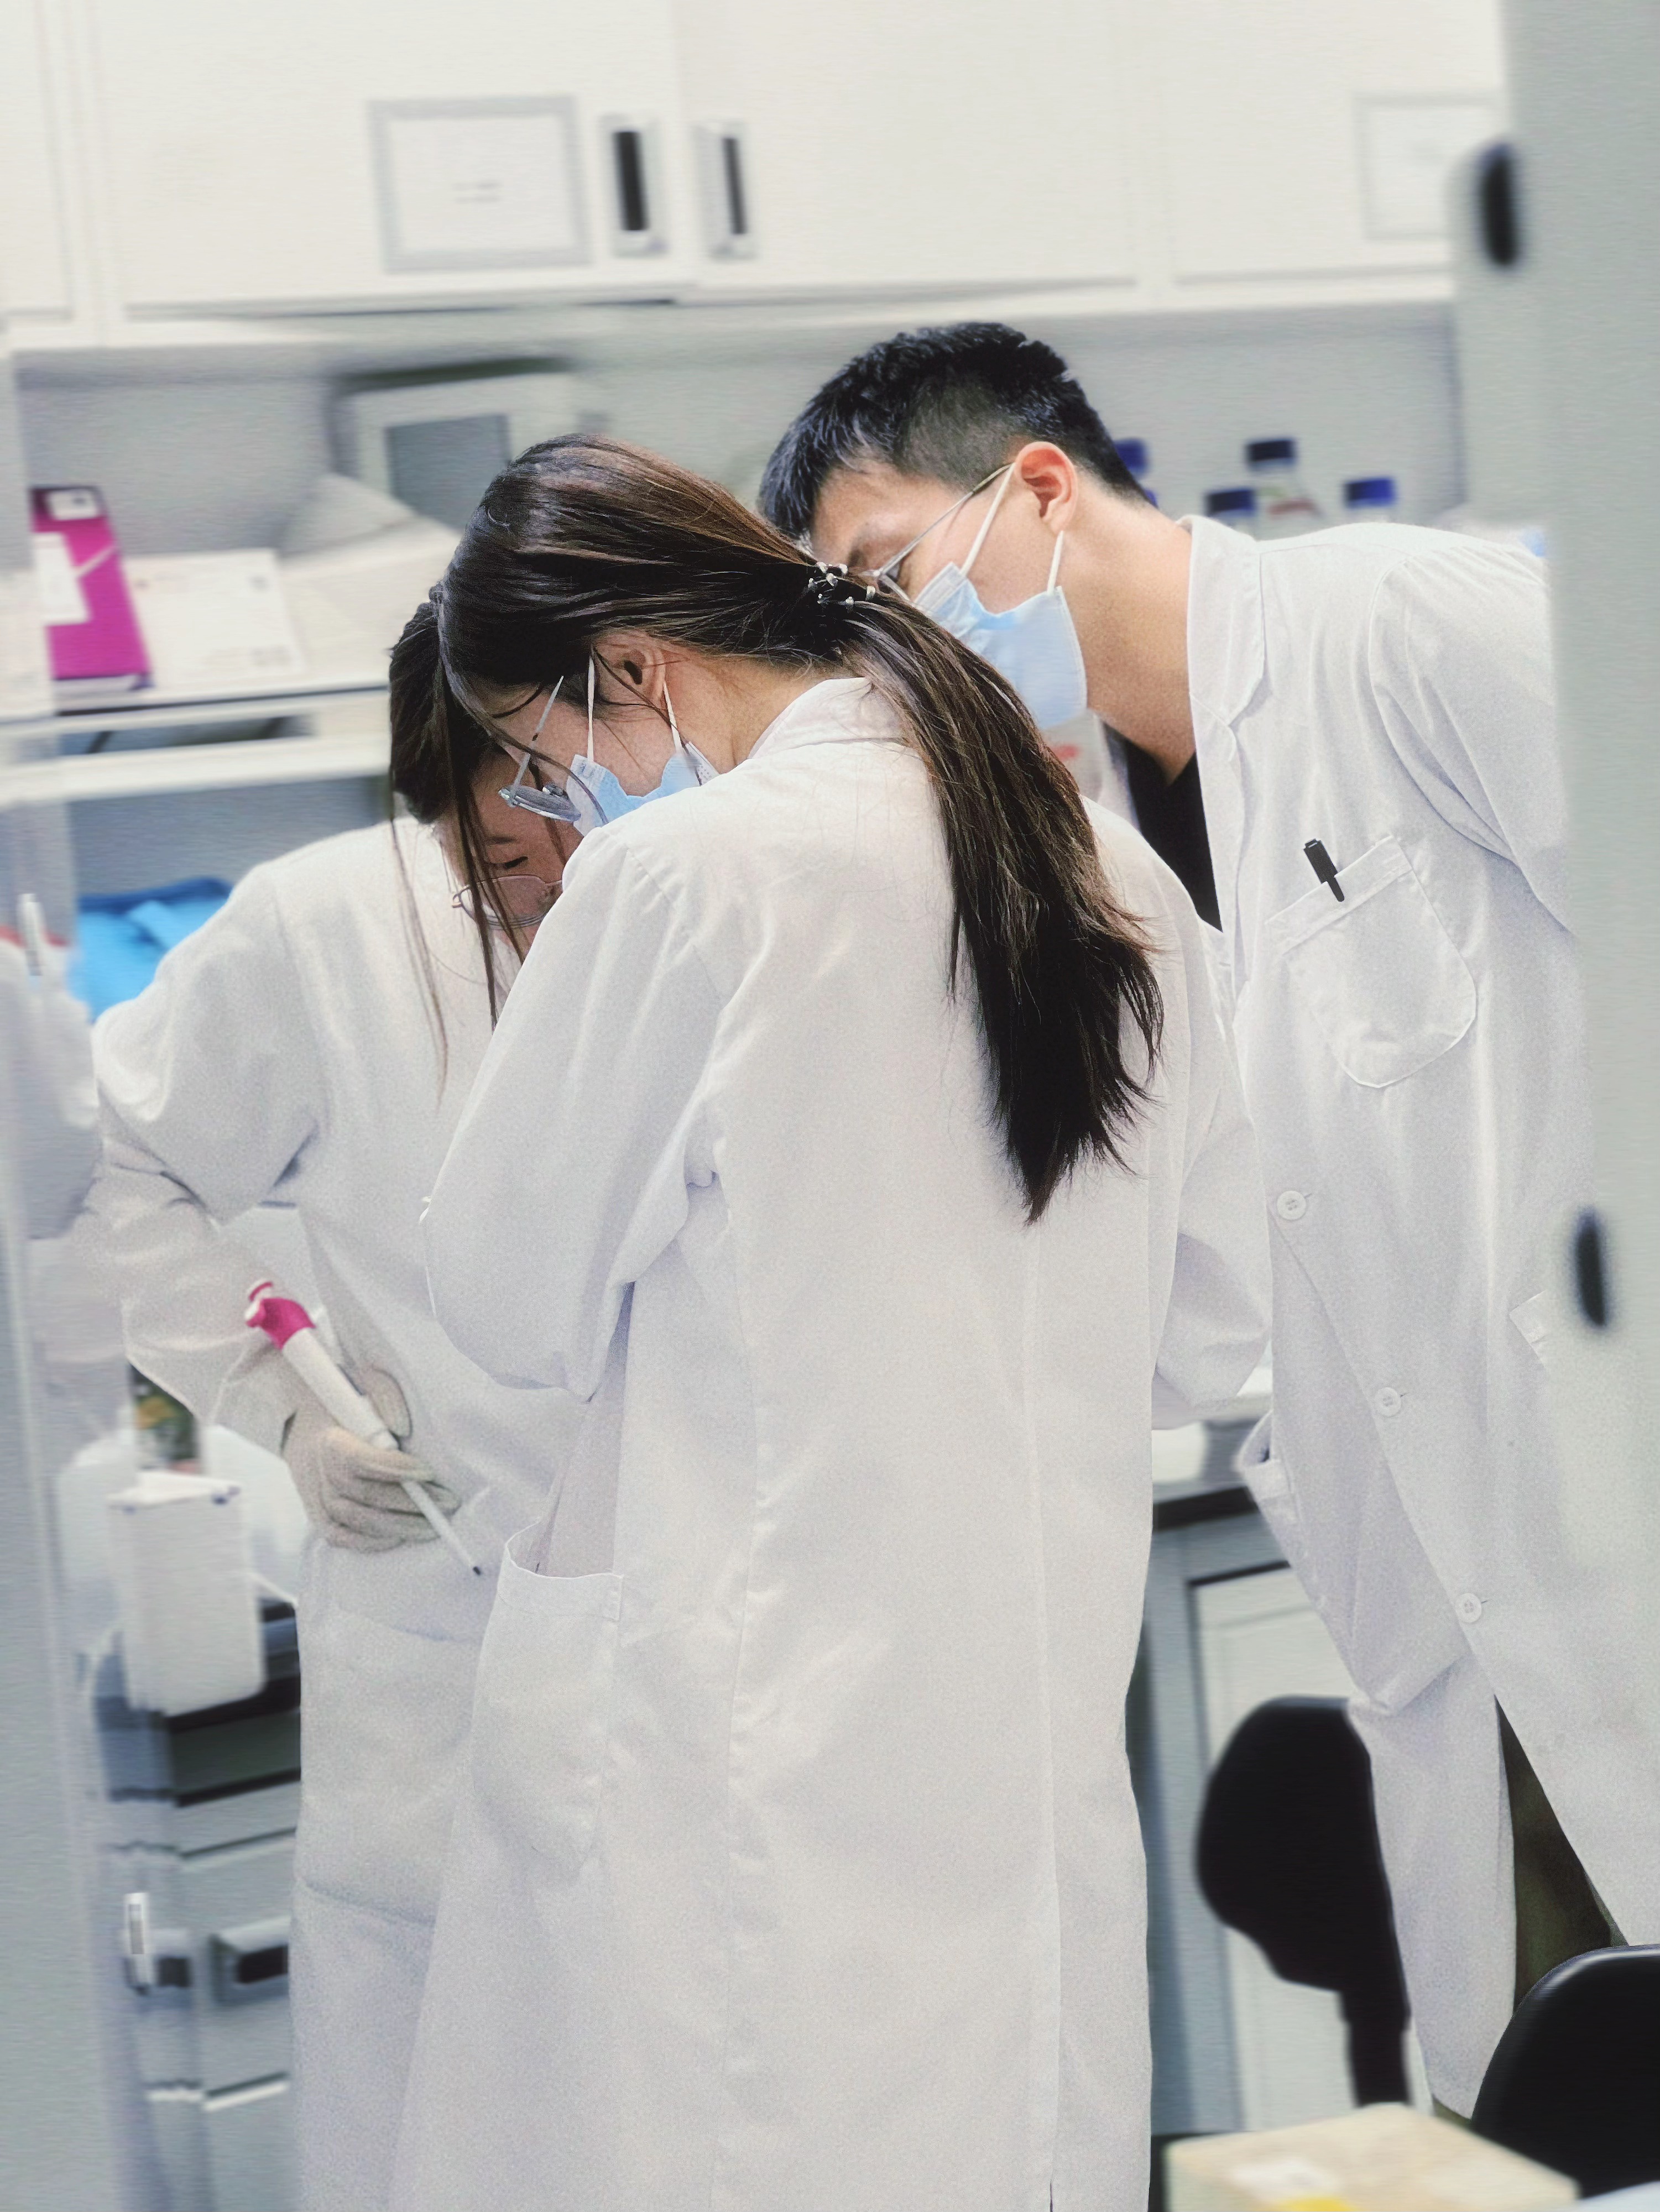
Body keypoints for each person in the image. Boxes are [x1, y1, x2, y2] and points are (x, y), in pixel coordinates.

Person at [759, 320, 1660, 2117]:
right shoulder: (1079, 836)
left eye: (891, 573)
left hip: (1617, 1532)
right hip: (1453, 1612)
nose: (891, 641)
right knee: (1559, 2118)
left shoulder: (1402, 623)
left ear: (1035, 487)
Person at [391, 434, 1267, 2212]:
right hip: (1017, 1764)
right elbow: (1213, 1322)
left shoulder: (685, 879)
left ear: (632, 666)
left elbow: (500, 1298)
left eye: (549, 755)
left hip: (749, 1781)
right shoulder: (1106, 869)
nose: (565, 802)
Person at [87, 604, 582, 2212]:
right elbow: (116, 1168)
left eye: (573, 804)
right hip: (442, 1649)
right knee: (442, 2133)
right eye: (496, 844)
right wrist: (278, 1406)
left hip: (685, 1647)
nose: (545, 869)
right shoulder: (327, 928)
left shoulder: (719, 900)